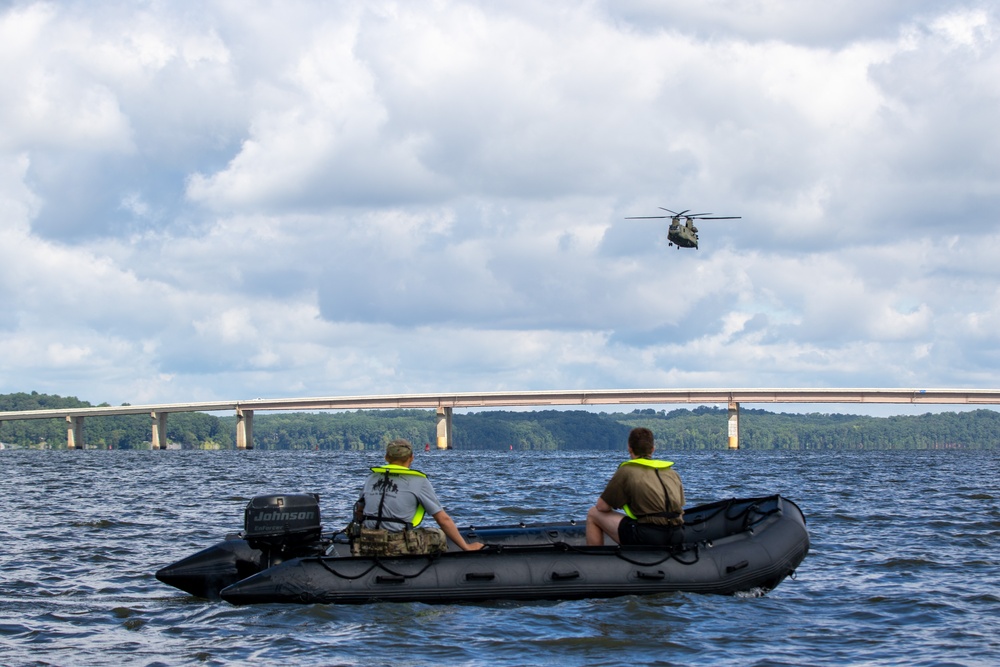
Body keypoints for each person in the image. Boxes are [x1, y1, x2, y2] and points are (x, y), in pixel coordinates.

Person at [353, 438, 483, 555]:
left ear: (386, 457)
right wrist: (466, 547)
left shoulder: (371, 477)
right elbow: (443, 520)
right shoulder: (419, 481)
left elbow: (359, 511)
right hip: (396, 544)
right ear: (411, 458)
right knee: (438, 535)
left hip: (368, 541)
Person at [586, 427, 685, 546]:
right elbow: (680, 509)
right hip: (677, 534)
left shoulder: (626, 470)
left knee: (593, 513)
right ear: (653, 449)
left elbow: (602, 507)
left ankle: (595, 559)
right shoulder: (672, 472)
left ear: (629, 448)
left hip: (648, 536)